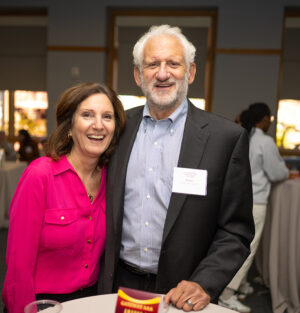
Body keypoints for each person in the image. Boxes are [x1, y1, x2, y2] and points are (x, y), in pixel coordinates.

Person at [98, 25, 254, 312]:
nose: (162, 73)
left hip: (183, 291)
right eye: (152, 64)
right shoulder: (116, 128)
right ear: (137, 75)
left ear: (191, 72)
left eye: (173, 63)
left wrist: (204, 282)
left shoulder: (225, 138)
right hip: (117, 284)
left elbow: (236, 231)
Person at [2, 82, 125, 313]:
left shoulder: (114, 181)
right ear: (69, 126)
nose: (98, 125)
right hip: (41, 304)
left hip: (90, 302)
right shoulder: (41, 175)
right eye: (87, 115)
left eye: (107, 117)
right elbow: (18, 267)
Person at [218, 102, 289, 313]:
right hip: (256, 201)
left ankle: (237, 286)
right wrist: (286, 171)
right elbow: (277, 173)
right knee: (247, 249)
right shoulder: (264, 142)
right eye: (270, 119)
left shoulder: (240, 135)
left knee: (232, 244)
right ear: (264, 119)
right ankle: (227, 294)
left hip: (233, 199)